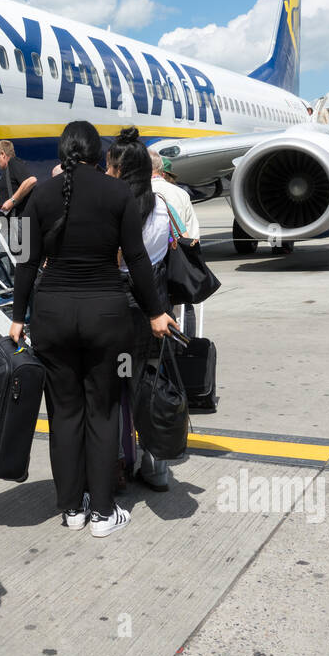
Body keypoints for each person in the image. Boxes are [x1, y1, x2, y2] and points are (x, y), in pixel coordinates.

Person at [9, 121, 175, 538]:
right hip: (107, 317)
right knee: (103, 413)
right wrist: (155, 313)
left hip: (52, 317)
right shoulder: (118, 193)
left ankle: (72, 509)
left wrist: (17, 316)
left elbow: (25, 263)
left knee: (64, 414)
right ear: (99, 157)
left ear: (63, 153)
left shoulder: (38, 196)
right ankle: (102, 511)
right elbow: (136, 259)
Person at [109, 131, 176, 493]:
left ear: (118, 167)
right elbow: (158, 258)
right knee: (146, 384)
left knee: (115, 387)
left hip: (120, 307)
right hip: (153, 308)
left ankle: (121, 461)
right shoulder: (161, 205)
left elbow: (116, 260)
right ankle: (157, 464)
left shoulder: (114, 207)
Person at [0, 139, 37, 218]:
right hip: (14, 221)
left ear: (2, 154)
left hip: (21, 220)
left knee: (25, 231)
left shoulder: (13, 163)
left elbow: (31, 180)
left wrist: (12, 201)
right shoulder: (8, 169)